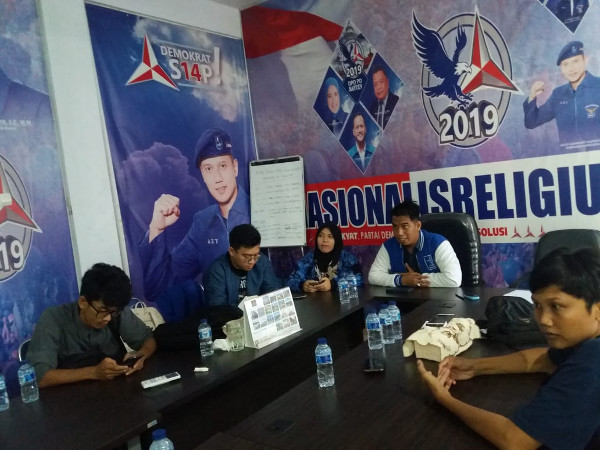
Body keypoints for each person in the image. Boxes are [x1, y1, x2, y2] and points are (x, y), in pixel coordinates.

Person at [417, 248, 600, 449]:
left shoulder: (593, 359)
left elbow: (514, 440)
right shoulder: (583, 343)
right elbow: (544, 359)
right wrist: (474, 367)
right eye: (538, 305)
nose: (543, 320)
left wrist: (445, 399)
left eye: (556, 306)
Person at [139, 128, 250, 301]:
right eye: (208, 169)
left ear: (234, 168)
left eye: (222, 166)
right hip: (220, 316)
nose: (218, 178)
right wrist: (156, 228)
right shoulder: (202, 222)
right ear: (203, 175)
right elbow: (159, 288)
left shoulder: (259, 210)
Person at [25, 263, 156, 388]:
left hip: (115, 391)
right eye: (103, 311)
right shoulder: (53, 319)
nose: (108, 318)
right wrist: (93, 372)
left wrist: (141, 356)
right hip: (70, 397)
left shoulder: (114, 310)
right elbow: (39, 377)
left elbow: (148, 340)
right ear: (83, 302)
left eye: (113, 312)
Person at [368, 200, 461, 288]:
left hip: (437, 298)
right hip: (402, 298)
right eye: (395, 227)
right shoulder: (389, 246)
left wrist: (415, 280)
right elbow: (373, 276)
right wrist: (402, 280)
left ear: (418, 226)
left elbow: (453, 279)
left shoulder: (438, 243)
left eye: (405, 226)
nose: (399, 233)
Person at [523, 41, 600, 146]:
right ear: (561, 69)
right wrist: (532, 96)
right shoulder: (558, 94)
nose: (571, 68)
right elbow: (531, 122)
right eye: (565, 64)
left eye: (575, 61)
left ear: (584, 60)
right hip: (569, 155)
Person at [203, 224, 281, 306]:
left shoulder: (262, 262)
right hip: (229, 314)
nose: (252, 261)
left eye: (256, 255)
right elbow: (218, 306)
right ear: (232, 251)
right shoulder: (216, 271)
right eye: (247, 256)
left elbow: (271, 293)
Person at [287, 222, 363, 293]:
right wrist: (302, 285)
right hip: (314, 301)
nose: (324, 240)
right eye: (320, 236)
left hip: (339, 301)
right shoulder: (308, 259)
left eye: (330, 236)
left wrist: (332, 285)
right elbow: (291, 280)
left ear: (337, 240)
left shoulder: (347, 259)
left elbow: (359, 279)